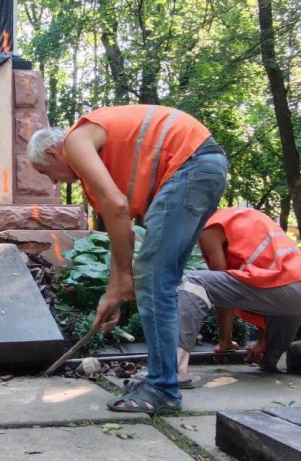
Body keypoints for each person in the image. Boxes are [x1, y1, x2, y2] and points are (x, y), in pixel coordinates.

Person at [27, 104, 228, 415]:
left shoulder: (74, 142)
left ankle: (162, 389)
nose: (53, 183)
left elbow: (118, 208)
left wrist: (124, 281)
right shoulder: (102, 163)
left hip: (190, 164)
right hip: (204, 165)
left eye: (44, 172)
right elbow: (123, 232)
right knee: (161, 278)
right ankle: (163, 378)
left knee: (153, 278)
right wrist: (114, 292)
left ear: (54, 152)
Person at [172, 207, 301, 387]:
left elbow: (219, 290)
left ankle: (174, 370)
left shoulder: (210, 227)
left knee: (195, 281)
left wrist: (225, 342)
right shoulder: (246, 216)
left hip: (285, 289)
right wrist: (262, 341)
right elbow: (262, 275)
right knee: (274, 361)